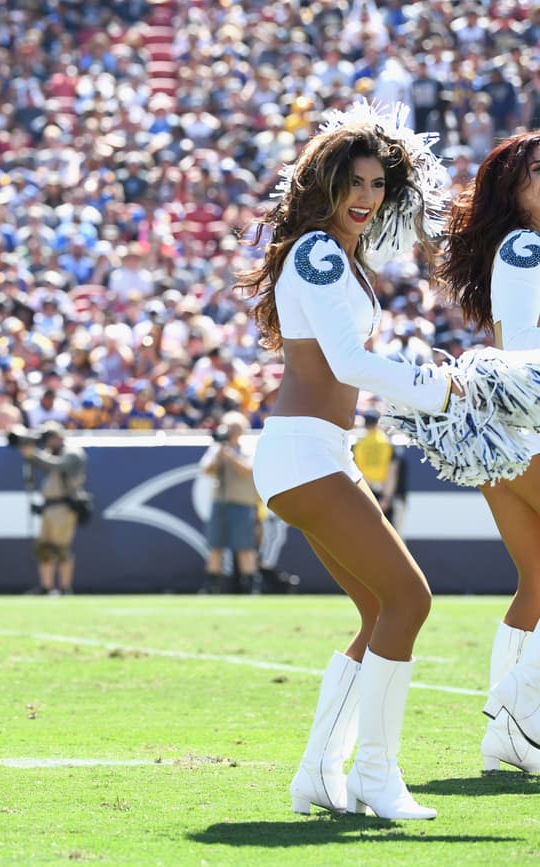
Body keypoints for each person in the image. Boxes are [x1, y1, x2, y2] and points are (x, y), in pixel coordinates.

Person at [236, 102, 457, 820]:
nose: (366, 197)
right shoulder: (320, 254)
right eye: (353, 183)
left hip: (316, 452)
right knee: (411, 598)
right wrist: (447, 386)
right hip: (303, 453)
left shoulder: (336, 255)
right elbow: (350, 361)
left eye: (376, 186)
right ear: (326, 185)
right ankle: (376, 775)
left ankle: (317, 774)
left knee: (377, 610)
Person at [438, 130, 540, 774]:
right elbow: (529, 350)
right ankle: (515, 713)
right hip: (526, 424)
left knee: (536, 580)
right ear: (515, 189)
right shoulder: (528, 248)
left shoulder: (520, 248)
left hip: (505, 428)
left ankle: (507, 735)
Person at [15, 421, 88, 595]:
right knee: (44, 548)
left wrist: (34, 454)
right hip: (49, 507)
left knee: (61, 549)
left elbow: (56, 465)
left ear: (59, 437)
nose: (47, 443)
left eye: (49, 438)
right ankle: (46, 587)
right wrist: (29, 455)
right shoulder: (50, 453)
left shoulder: (73, 453)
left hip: (64, 505)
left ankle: (64, 587)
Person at [198, 412, 260, 594]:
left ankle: (249, 585)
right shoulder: (216, 449)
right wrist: (220, 453)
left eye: (235, 428)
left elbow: (247, 470)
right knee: (215, 545)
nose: (232, 432)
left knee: (244, 546)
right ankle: (212, 585)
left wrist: (230, 454)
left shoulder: (249, 448)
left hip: (242, 503)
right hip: (220, 502)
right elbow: (207, 470)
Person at [352, 410, 406, 531]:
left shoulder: (359, 445)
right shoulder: (386, 443)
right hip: (384, 493)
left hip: (367, 493)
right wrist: (387, 498)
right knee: (389, 534)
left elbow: (357, 471)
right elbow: (392, 472)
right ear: (378, 422)